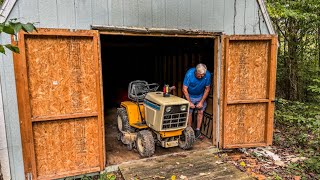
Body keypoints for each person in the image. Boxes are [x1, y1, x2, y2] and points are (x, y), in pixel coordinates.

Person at [182, 63, 211, 139]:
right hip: (190, 95)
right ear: (196, 72)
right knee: (189, 112)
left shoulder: (207, 75)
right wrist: (189, 102)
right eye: (200, 75)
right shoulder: (189, 74)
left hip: (200, 96)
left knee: (200, 111)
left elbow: (207, 89)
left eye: (203, 75)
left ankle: (197, 131)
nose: (202, 76)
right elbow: (184, 89)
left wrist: (201, 102)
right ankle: (189, 132)